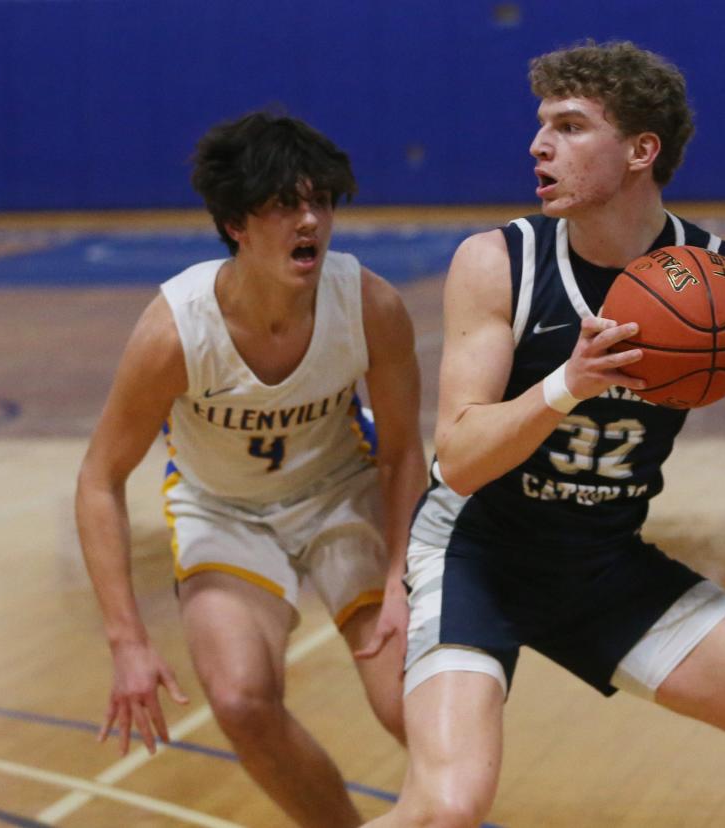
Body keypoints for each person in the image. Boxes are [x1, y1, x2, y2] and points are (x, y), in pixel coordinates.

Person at [367, 40, 725, 827]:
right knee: (449, 807)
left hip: (599, 560)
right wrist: (569, 383)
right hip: (476, 555)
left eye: (568, 126)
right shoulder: (499, 263)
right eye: (540, 126)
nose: (538, 145)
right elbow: (455, 459)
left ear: (640, 150)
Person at [75, 111, 427, 828]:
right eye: (285, 205)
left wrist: (400, 579)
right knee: (238, 700)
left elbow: (402, 456)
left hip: (341, 498)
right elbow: (99, 480)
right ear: (237, 222)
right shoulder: (176, 330)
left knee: (414, 710)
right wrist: (129, 642)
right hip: (224, 510)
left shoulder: (370, 305)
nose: (310, 222)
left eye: (321, 202)